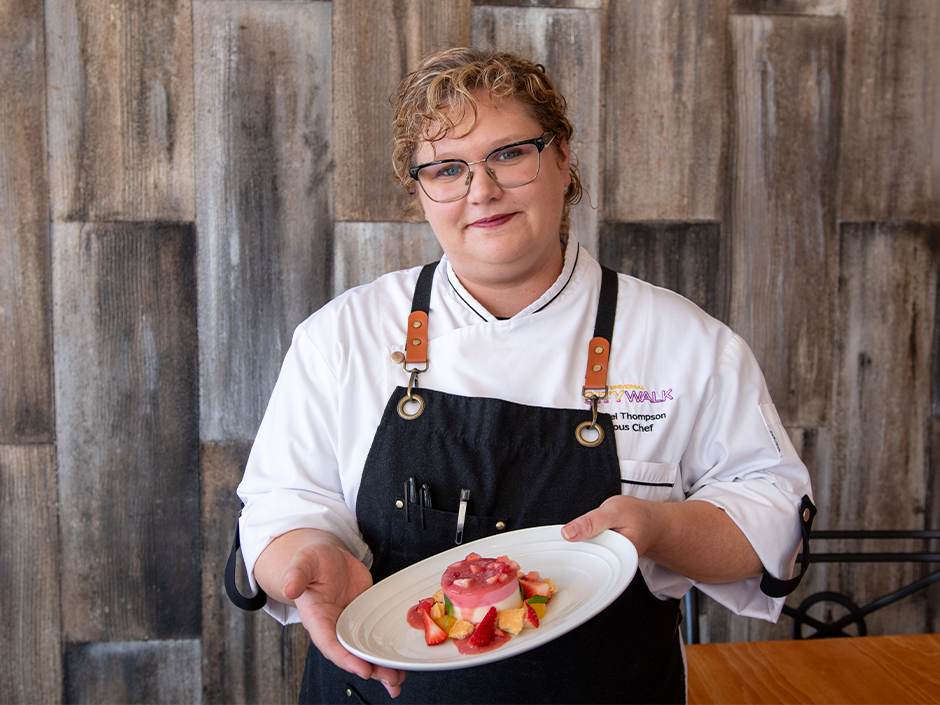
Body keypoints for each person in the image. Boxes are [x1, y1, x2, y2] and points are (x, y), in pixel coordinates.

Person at [232, 47, 814, 704]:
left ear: (562, 158)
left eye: (509, 154)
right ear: (422, 191)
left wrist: (660, 526)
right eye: (448, 168)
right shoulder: (343, 335)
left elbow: (771, 516)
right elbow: (282, 501)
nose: (480, 190)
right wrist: (301, 555)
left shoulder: (687, 343)